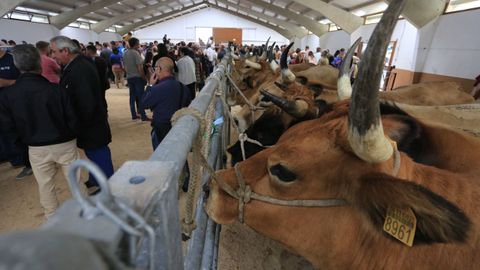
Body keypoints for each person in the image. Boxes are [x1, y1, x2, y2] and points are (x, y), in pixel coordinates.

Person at [0, 44, 88, 218]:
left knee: (45, 184)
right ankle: (86, 210)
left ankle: (51, 217)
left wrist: (22, 147)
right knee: (75, 180)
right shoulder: (56, 89)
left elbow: (8, 127)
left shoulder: (8, 95)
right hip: (64, 142)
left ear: (17, 65)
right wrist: (72, 134)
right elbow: (73, 118)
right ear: (39, 64)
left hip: (35, 147)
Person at [50, 36, 114, 190]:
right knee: (92, 154)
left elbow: (87, 102)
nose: (52, 56)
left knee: (99, 154)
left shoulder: (80, 68)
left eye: (54, 52)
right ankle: (95, 179)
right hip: (89, 122)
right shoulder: (77, 64)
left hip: (90, 123)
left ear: (65, 51)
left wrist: (78, 125)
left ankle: (107, 187)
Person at [0, 40, 32, 179]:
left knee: (20, 132)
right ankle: (13, 158)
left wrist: (6, 82)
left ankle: (29, 163)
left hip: (15, 102)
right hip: (2, 106)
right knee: (6, 132)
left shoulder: (12, 59)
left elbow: (25, 79)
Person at [142, 57, 190, 149]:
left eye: (155, 68)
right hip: (179, 127)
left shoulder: (157, 88)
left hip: (162, 130)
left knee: (162, 157)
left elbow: (143, 104)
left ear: (159, 69)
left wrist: (150, 85)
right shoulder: (183, 87)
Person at [123, 37, 150, 122]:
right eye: (138, 43)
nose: (139, 45)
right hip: (137, 77)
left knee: (132, 97)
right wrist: (144, 77)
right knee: (141, 97)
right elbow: (139, 67)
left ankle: (133, 114)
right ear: (135, 44)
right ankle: (143, 115)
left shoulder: (125, 53)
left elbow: (125, 67)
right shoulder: (135, 53)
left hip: (129, 77)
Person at [86, 45, 110, 111]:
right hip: (103, 82)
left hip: (96, 83)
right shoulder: (102, 60)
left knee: (98, 99)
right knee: (102, 97)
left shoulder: (90, 61)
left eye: (86, 50)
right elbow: (106, 70)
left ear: (89, 51)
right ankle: (105, 111)